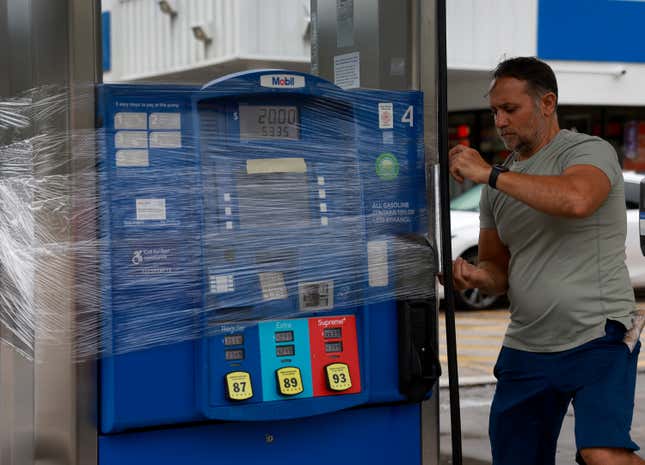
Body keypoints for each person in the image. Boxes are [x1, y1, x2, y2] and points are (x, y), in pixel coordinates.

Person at [448, 56, 644, 465]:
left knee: (602, 453)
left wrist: (489, 175)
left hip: (598, 334)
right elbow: (497, 272)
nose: (500, 121)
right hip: (528, 344)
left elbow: (576, 199)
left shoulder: (587, 150)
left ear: (547, 103)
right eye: (495, 111)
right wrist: (472, 277)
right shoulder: (496, 188)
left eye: (510, 109)